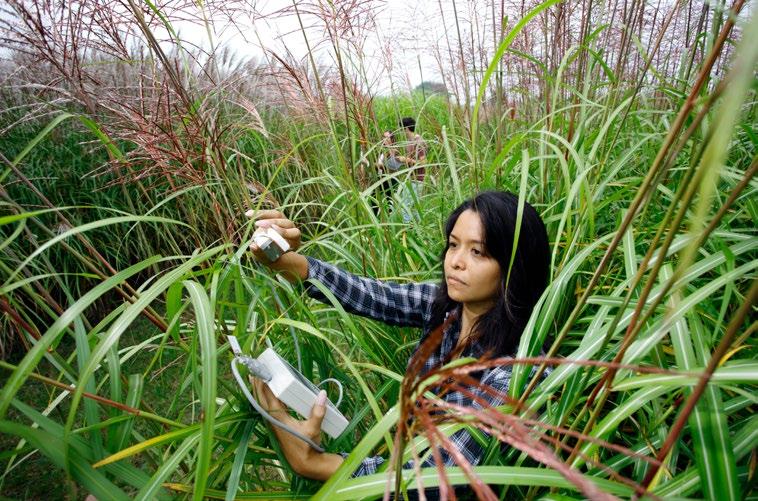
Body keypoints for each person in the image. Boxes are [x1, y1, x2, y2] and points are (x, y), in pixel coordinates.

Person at [247, 190, 550, 491]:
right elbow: (370, 295)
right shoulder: (445, 310)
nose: (456, 262)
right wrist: (282, 260)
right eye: (453, 245)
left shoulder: (517, 373)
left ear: (515, 266)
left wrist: (313, 462)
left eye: (478, 252)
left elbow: (430, 482)